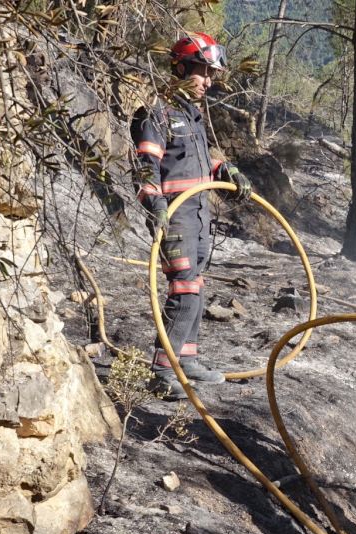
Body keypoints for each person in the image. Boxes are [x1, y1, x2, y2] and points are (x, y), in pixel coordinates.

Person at [131, 32, 253, 398]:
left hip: (199, 216)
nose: (209, 81)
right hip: (176, 217)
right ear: (181, 68)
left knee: (196, 288)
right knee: (184, 289)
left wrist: (225, 169)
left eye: (212, 74)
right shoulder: (156, 114)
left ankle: (186, 359)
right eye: (203, 72)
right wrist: (156, 207)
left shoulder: (192, 115)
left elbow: (193, 161)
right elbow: (146, 165)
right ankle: (162, 372)